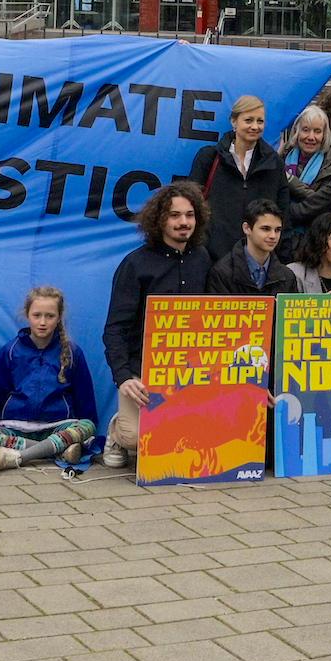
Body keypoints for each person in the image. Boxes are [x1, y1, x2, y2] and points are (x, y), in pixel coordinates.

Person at [99, 183, 211, 466]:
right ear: (159, 219)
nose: (183, 222)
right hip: (145, 373)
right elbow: (115, 329)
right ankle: (117, 431)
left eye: (189, 215)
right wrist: (124, 377)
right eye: (174, 215)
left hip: (192, 372)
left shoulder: (204, 259)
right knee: (137, 438)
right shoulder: (135, 265)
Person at [0, 286, 102, 474]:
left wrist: (87, 428)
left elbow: (84, 395)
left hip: (58, 426)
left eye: (50, 316)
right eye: (37, 315)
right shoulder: (11, 351)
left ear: (59, 317)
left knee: (87, 426)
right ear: (27, 315)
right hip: (16, 426)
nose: (42, 322)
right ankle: (55, 451)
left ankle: (20, 456)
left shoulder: (72, 352)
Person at [189, 94, 288, 260]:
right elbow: (192, 205)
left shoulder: (274, 163)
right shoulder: (209, 157)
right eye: (249, 120)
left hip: (257, 261)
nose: (255, 126)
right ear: (234, 122)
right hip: (212, 259)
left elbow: (283, 212)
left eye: (260, 121)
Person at [282, 104, 331, 243]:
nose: (311, 137)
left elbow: (319, 205)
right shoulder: (283, 156)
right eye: (305, 130)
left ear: (324, 135)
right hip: (282, 238)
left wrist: (290, 180)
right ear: (296, 132)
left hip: (317, 239)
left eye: (317, 131)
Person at [209, 204, 287, 296]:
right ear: (247, 228)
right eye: (266, 229)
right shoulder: (222, 273)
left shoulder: (287, 276)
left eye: (277, 230)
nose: (273, 236)